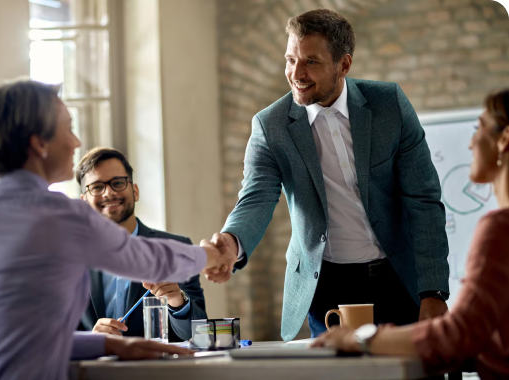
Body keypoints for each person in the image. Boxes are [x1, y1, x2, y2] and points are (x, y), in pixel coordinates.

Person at [206, 8, 449, 341]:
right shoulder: (270, 125)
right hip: (327, 288)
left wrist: (433, 291)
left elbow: (423, 199)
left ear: (344, 65)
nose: (296, 73)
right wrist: (231, 243)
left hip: (398, 277)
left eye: (311, 62)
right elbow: (256, 196)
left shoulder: (389, 105)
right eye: (290, 59)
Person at [0, 79, 230, 380]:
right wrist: (212, 255)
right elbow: (148, 259)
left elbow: (16, 340)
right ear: (39, 143)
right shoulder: (61, 215)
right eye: (68, 128)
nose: (75, 142)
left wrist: (108, 344)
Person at [311, 89, 509, 380]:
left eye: (478, 128)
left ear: (503, 140)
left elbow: (459, 334)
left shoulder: (499, 230)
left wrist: (358, 339)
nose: (470, 143)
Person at [75, 147, 207, 341]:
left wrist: (177, 301)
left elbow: (199, 334)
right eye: (96, 187)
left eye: (118, 183)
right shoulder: (69, 259)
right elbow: (54, 336)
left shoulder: (177, 247)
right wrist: (90, 340)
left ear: (135, 191)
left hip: (157, 370)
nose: (108, 193)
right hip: (93, 370)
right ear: (84, 202)